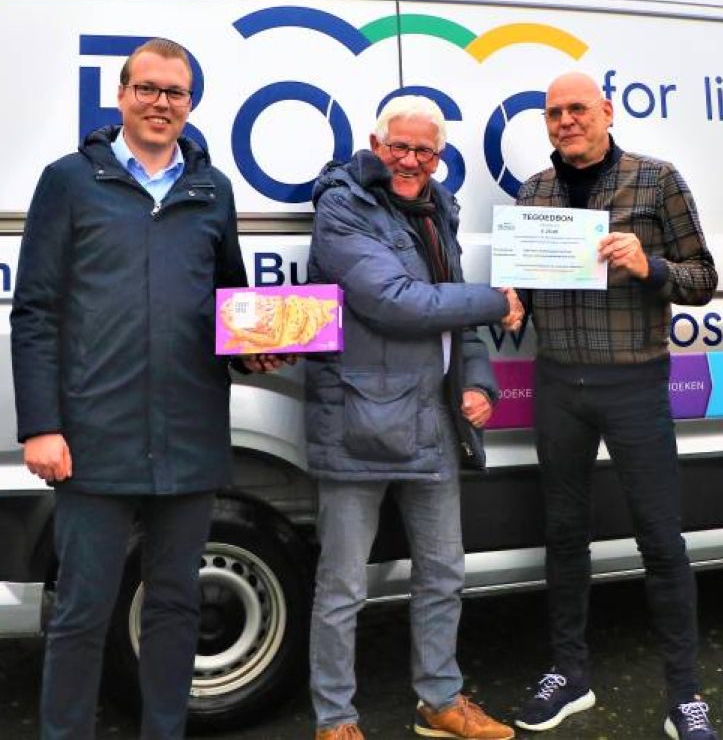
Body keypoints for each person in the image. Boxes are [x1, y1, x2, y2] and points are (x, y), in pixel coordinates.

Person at [11, 38, 285, 740]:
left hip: (190, 431)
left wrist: (251, 350)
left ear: (191, 104)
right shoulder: (71, 181)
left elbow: (229, 297)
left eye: (177, 93)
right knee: (82, 609)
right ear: (122, 95)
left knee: (174, 605)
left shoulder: (212, 189)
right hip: (94, 435)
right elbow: (37, 310)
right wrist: (41, 424)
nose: (162, 103)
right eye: (149, 89)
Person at [305, 95, 522, 740]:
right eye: (398, 147)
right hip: (359, 418)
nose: (410, 161)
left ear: (439, 155)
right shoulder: (343, 207)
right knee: (343, 585)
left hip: (431, 420)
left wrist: (477, 381)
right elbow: (394, 302)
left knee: (443, 574)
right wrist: (493, 301)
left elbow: (452, 318)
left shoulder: (438, 209)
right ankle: (335, 719)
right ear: (376, 143)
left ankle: (440, 701)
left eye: (424, 151)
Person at [513, 72, 719, 740]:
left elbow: (705, 281)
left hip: (634, 385)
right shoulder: (534, 191)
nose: (565, 120)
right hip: (558, 384)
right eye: (554, 112)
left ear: (606, 111)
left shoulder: (657, 180)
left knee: (660, 540)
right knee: (565, 536)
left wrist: (650, 266)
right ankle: (570, 676)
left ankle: (684, 695)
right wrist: (511, 299)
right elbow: (525, 285)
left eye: (577, 109)